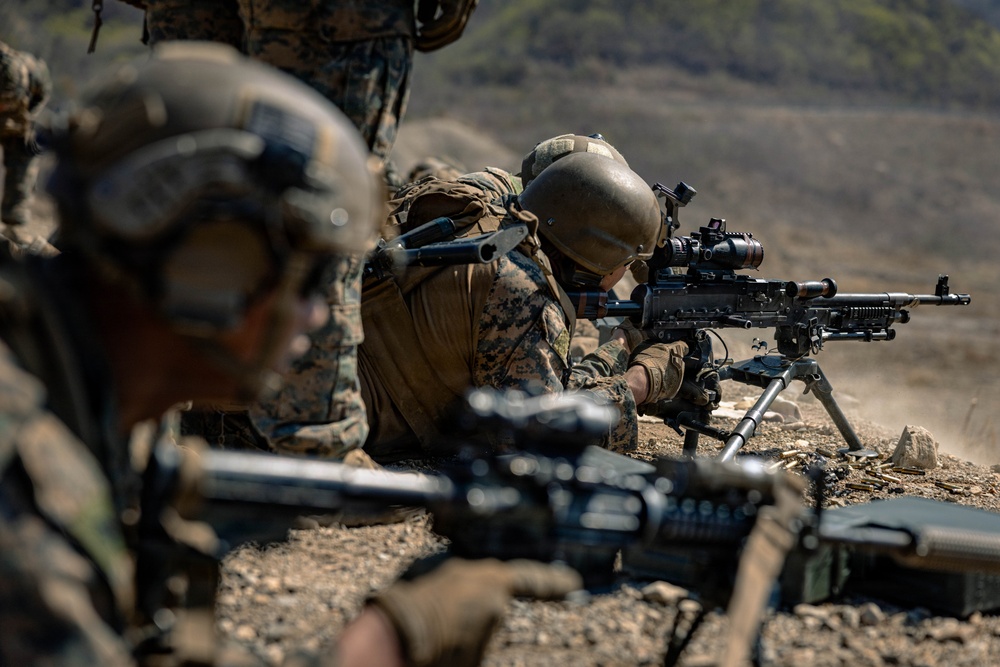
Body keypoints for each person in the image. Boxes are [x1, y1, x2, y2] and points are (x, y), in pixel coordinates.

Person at [0, 42, 580, 667]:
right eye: (305, 277)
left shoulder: (91, 400)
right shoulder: (21, 482)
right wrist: (391, 639)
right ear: (208, 264)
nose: (318, 315)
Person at [359, 150, 693, 461]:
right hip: (345, 419)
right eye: (628, 261)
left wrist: (623, 344)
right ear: (600, 255)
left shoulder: (492, 226)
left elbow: (536, 379)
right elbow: (539, 437)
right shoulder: (526, 295)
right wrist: (640, 383)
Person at [0, 39, 52, 251]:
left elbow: (41, 94)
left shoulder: (26, 70)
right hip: (15, 115)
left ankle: (14, 223)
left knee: (22, 163)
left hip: (20, 121)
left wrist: (29, 118)